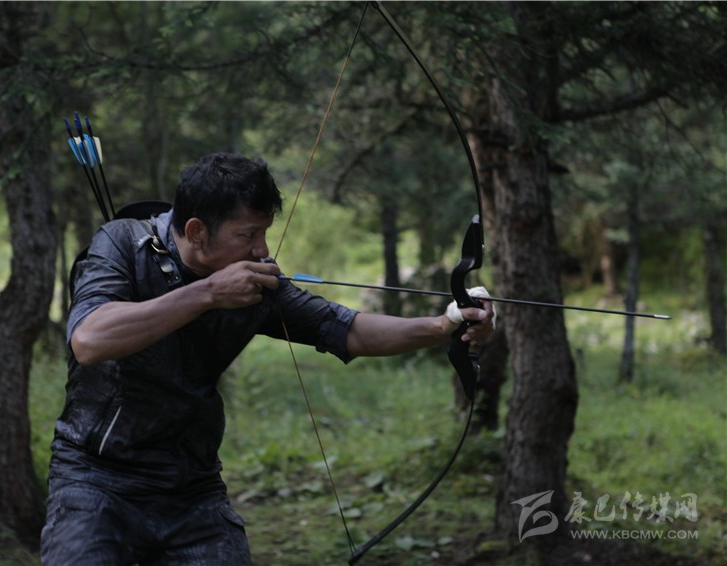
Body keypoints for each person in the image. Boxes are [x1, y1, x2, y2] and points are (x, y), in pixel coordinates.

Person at [40, 152, 495, 565]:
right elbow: (90, 339)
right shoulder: (122, 243)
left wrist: (442, 325)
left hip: (191, 486)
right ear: (196, 231)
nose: (261, 250)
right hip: (95, 476)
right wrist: (208, 293)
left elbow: (346, 329)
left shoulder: (254, 283)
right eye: (247, 235)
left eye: (264, 233)